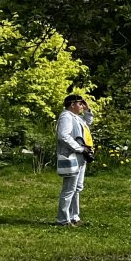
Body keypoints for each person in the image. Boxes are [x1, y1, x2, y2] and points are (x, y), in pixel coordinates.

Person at [54, 93, 94, 226]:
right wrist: (80, 148)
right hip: (72, 155)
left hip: (80, 156)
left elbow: (88, 122)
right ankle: (63, 219)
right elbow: (63, 136)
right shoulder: (66, 116)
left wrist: (88, 110)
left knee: (77, 188)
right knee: (69, 189)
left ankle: (74, 217)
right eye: (80, 103)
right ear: (72, 104)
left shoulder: (75, 117)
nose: (82, 106)